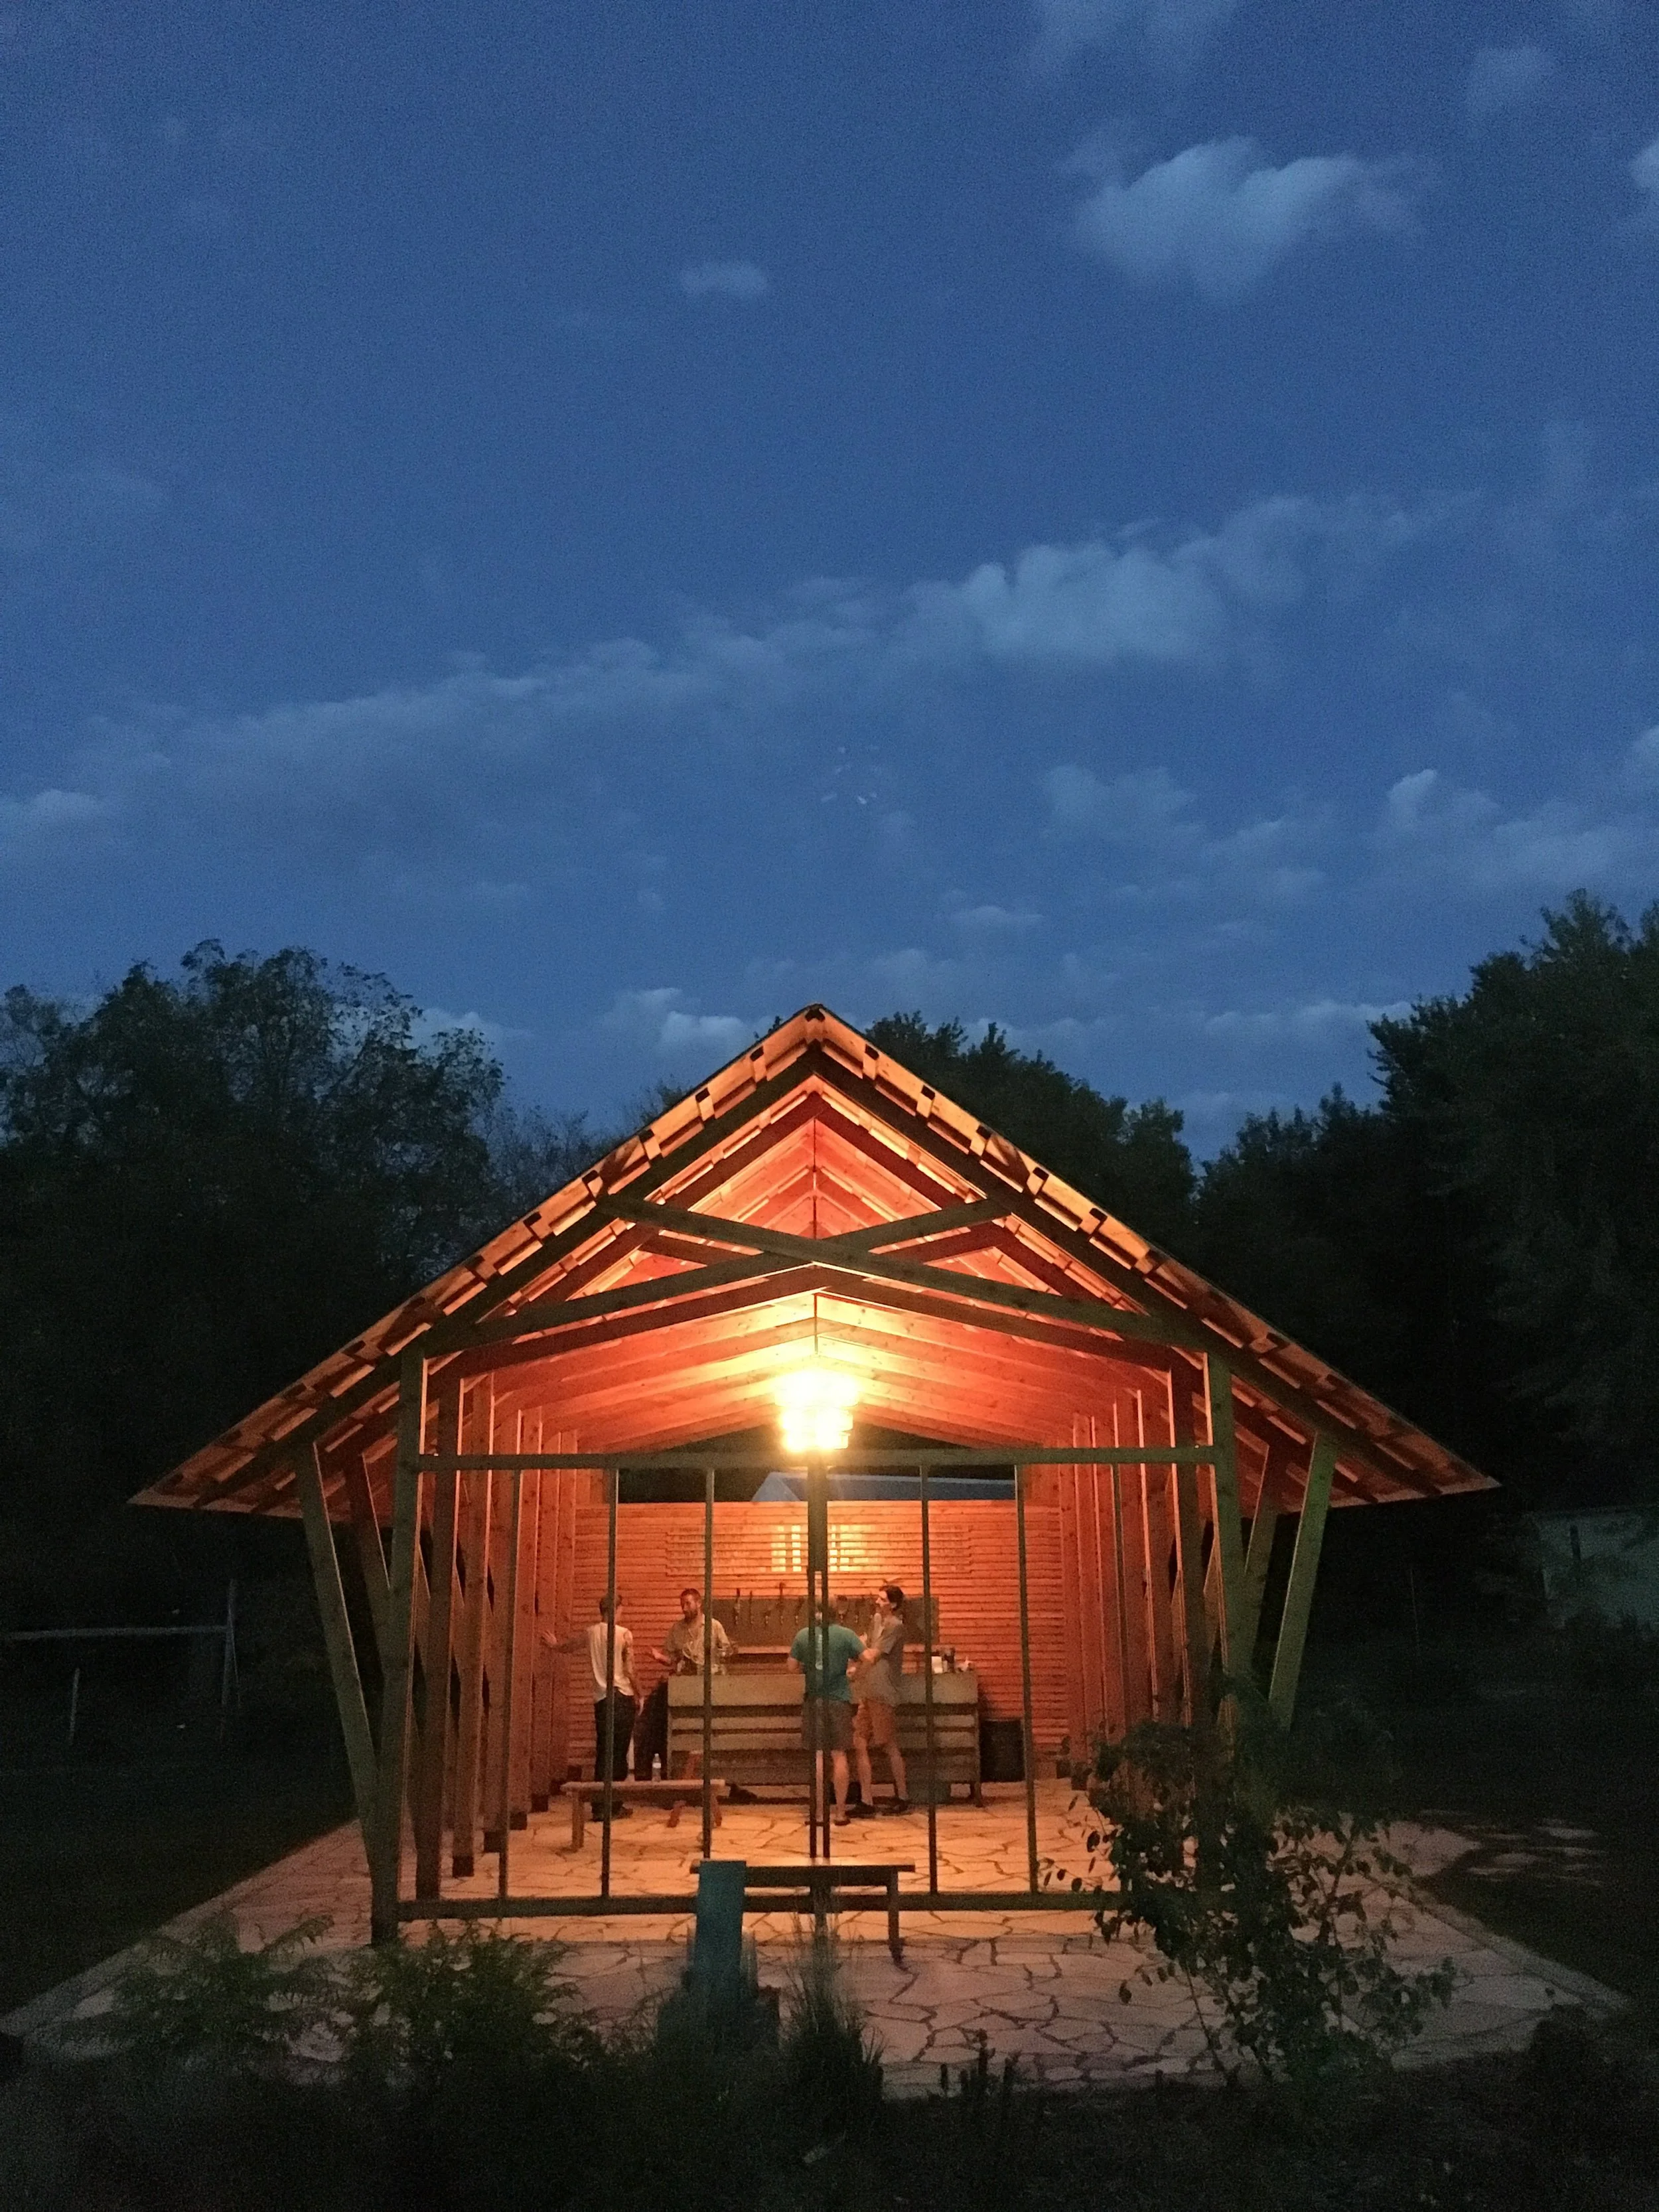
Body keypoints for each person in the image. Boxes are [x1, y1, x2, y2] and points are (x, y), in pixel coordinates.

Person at [651, 1587, 735, 1821]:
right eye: (682, 1604)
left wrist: (722, 1656)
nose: (684, 1608)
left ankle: (720, 1777)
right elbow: (672, 1659)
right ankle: (684, 1778)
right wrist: (661, 1658)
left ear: (699, 1604)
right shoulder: (676, 1630)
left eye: (688, 1603)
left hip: (712, 1685)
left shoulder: (715, 1626)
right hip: (686, 1690)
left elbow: (727, 1651)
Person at [789, 1608, 864, 1827]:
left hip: (814, 1700)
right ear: (835, 1614)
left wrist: (808, 1666)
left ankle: (820, 1814)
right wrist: (854, 1671)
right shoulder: (846, 1634)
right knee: (839, 1755)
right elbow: (867, 1656)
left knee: (818, 1756)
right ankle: (840, 1813)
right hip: (839, 1699)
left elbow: (792, 1666)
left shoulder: (804, 1634)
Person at [851, 1582, 909, 1816]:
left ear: (893, 1604)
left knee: (888, 1743)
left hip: (883, 1692)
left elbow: (873, 1654)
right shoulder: (877, 1621)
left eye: (883, 1600)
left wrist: (851, 1652)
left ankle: (903, 1795)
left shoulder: (895, 1626)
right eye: (878, 1598)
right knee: (859, 1740)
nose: (878, 1602)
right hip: (869, 1691)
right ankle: (867, 1799)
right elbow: (867, 1646)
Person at [583, 1595, 636, 1814]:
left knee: (604, 1751)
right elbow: (630, 1669)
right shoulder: (624, 1634)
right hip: (622, 1696)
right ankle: (614, 1805)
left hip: (602, 1700)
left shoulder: (590, 1633)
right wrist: (641, 1694)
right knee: (619, 1752)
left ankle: (598, 1806)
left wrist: (555, 1645)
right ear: (616, 1609)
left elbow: (568, 1645)